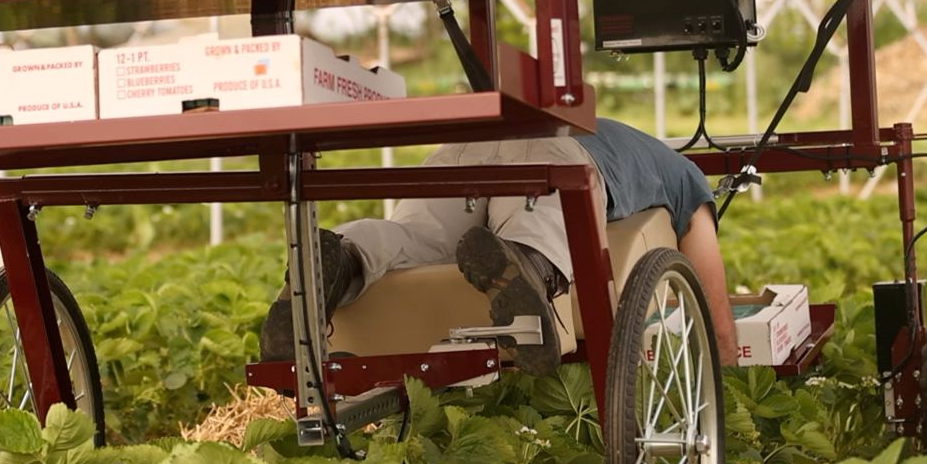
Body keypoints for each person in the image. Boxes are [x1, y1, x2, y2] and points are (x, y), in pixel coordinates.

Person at [260, 117, 739, 375]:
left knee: (415, 238)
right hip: (554, 152)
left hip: (459, 149)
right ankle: (527, 268)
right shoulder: (689, 181)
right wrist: (730, 376)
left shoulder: (623, 137)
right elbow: (711, 309)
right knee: (539, 220)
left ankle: (343, 256)